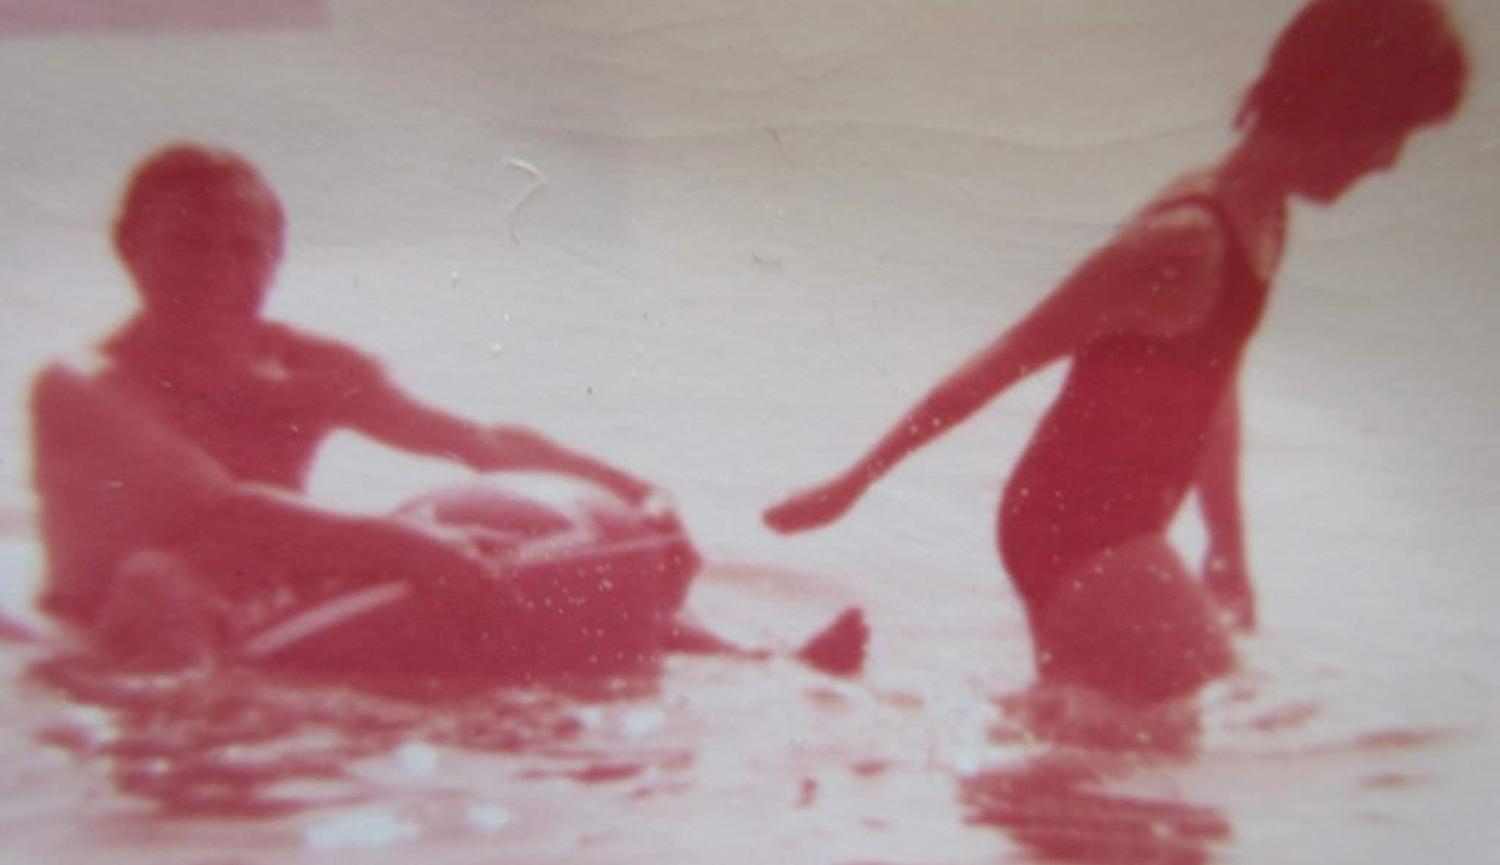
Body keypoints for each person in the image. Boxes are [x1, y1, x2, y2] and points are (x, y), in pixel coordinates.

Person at [765, 0, 1467, 708]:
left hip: (1119, 525)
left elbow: (1215, 385)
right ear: (1335, 104)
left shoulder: (1263, 220)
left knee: (1112, 751)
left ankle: (952, 768)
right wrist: (852, 483)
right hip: (1075, 529)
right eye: (1390, 131)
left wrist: (1227, 545)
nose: (1389, 161)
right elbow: (1003, 359)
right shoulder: (1186, 238)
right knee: (1216, 706)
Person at [31, 143, 689, 674]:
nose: (217, 271)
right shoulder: (85, 385)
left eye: (243, 248)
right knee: (159, 579)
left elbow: (477, 441)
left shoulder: (311, 370)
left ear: (276, 258)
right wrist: (411, 546)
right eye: (188, 243)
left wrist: (640, 498)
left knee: (636, 602)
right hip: (117, 620)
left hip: (269, 604)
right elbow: (225, 511)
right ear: (127, 246)